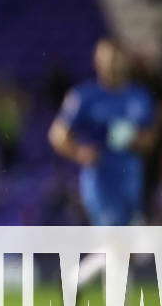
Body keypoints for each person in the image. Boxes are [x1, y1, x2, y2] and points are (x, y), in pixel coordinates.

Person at [48, 38, 156, 225]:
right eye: (107, 60)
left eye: (116, 59)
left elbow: (151, 138)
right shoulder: (84, 96)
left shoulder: (139, 96)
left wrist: (136, 140)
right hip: (101, 180)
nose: (112, 65)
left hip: (132, 176)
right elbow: (57, 134)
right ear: (97, 62)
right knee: (114, 239)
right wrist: (79, 152)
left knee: (133, 239)